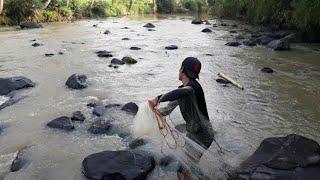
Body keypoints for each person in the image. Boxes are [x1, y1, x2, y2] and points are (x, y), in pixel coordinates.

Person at [149, 57, 214, 149]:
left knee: (187, 161)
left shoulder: (193, 88)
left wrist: (157, 99)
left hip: (202, 134)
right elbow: (170, 107)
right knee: (190, 160)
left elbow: (179, 93)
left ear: (182, 69)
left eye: (180, 68)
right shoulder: (184, 90)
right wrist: (156, 112)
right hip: (196, 130)